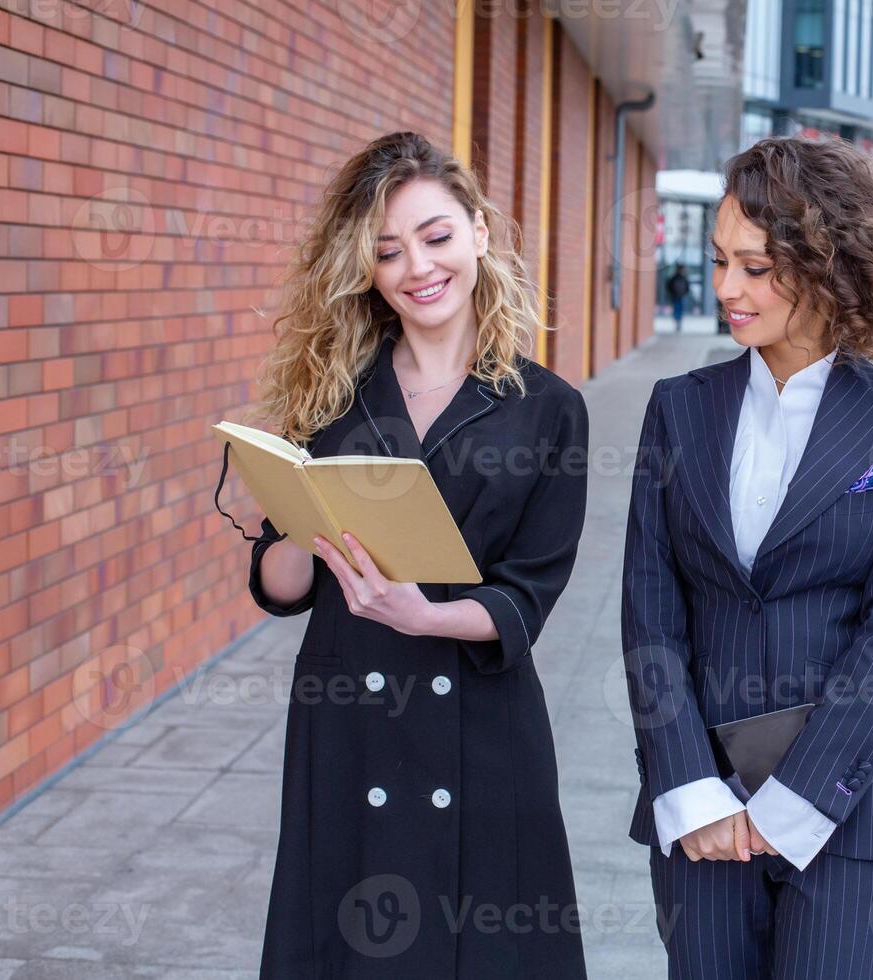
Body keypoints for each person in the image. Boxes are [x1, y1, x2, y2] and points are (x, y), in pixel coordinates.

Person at [238, 131, 588, 977]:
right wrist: (293, 515)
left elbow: (528, 598)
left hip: (480, 722)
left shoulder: (546, 408)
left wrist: (426, 614)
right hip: (349, 717)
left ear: (477, 230)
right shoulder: (331, 392)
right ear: (366, 268)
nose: (417, 268)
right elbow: (280, 588)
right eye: (388, 252)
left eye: (435, 236)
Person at [621, 135, 873, 979]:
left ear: (831, 266)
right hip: (701, 808)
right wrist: (689, 788)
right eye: (720, 262)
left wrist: (796, 800)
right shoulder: (677, 409)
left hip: (849, 805)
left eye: (758, 267)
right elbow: (648, 612)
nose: (728, 289)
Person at [666, 264, 690, 331]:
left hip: (680, 296)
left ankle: (678, 322)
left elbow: (687, 287)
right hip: (677, 296)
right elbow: (669, 286)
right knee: (678, 310)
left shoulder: (680, 277)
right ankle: (677, 322)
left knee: (679, 310)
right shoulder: (677, 278)